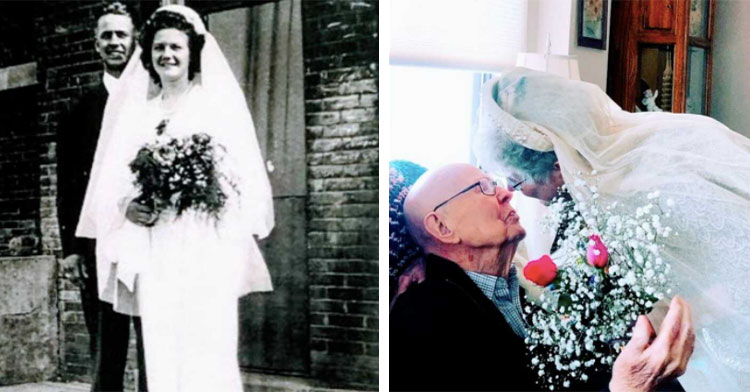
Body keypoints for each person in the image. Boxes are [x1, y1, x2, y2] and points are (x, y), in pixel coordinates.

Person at [473, 68, 750, 391]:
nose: (520, 194)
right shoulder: (590, 190)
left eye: (519, 182)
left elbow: (730, 266)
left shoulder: (640, 195)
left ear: (559, 168)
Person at [75, 5, 275, 391]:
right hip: (157, 243)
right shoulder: (139, 113)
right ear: (147, 55)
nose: (167, 54)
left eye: (176, 47)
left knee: (207, 339)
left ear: (192, 53)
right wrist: (128, 206)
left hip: (204, 241)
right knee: (162, 339)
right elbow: (112, 180)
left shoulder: (214, 106)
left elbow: (240, 176)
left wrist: (200, 189)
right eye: (158, 47)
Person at [390, 163, 695, 391]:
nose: (507, 193)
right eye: (482, 188)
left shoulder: (520, 292)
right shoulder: (423, 316)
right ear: (442, 227)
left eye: (494, 183)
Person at [56, 3, 147, 391]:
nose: (114, 43)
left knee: (152, 338)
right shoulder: (80, 110)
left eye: (121, 35)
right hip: (100, 244)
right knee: (107, 344)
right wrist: (73, 249)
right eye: (106, 36)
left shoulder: (150, 101)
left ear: (134, 41)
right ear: (96, 45)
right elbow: (69, 185)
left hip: (147, 237)